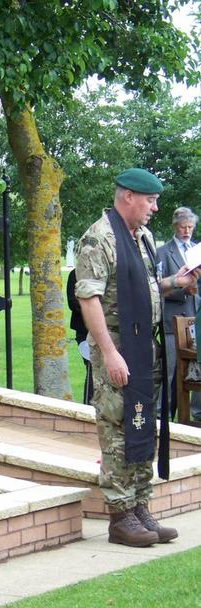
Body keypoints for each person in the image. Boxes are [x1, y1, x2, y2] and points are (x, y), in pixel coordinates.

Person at [75, 168, 200, 548]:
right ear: (128, 196)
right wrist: (110, 354)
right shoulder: (99, 238)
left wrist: (177, 282)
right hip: (119, 351)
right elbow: (88, 298)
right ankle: (119, 515)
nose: (155, 207)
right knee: (117, 429)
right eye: (150, 200)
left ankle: (140, 506)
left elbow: (146, 288)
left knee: (145, 424)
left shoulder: (142, 237)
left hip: (145, 350)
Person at [156, 207, 201, 420]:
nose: (187, 231)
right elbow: (157, 288)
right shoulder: (163, 252)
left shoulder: (196, 250)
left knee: (196, 369)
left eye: (190, 227)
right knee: (169, 372)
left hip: (195, 319)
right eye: (183, 227)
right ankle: (161, 415)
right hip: (172, 321)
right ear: (175, 226)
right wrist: (184, 290)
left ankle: (195, 415)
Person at [66, 268, 93, 404]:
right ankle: (89, 405)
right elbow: (73, 303)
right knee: (91, 368)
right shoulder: (75, 274)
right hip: (84, 330)